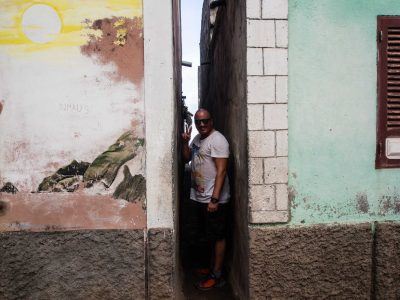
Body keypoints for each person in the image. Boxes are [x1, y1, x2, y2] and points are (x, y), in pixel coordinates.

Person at [182, 108, 230, 290]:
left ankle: (217, 276)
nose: (202, 124)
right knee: (207, 234)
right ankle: (211, 268)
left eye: (205, 121)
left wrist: (215, 199)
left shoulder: (218, 140)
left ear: (212, 121)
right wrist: (185, 143)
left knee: (218, 236)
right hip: (199, 197)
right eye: (198, 121)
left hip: (214, 199)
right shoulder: (197, 140)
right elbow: (187, 159)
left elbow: (222, 171)